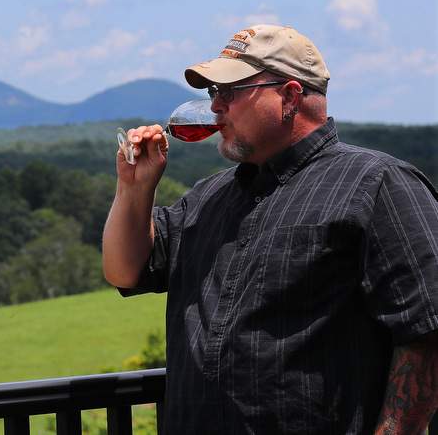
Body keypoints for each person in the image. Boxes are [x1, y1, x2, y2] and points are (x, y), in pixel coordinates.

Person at [102, 24, 438, 434]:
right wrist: (134, 189)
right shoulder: (210, 196)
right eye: (213, 93)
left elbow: (427, 333)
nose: (215, 107)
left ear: (290, 95)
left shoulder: (377, 183)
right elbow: (125, 270)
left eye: (230, 91)